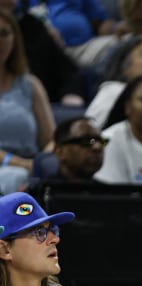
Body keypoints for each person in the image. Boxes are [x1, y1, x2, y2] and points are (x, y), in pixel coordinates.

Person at [0, 9, 55, 195]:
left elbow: (51, 140)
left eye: (4, 33)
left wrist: (41, 164)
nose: (0, 40)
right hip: (16, 171)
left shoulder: (30, 84)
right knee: (14, 177)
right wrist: (19, 163)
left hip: (30, 172)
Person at [31, 117, 107, 182]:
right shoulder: (38, 195)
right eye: (86, 141)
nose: (97, 147)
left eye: (100, 141)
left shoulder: (110, 194)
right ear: (60, 152)